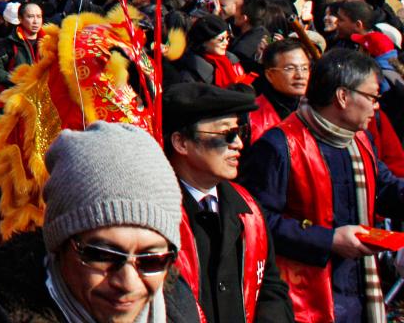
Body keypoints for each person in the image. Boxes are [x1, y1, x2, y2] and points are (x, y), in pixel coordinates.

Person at [0, 121, 200, 322]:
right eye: (102, 255)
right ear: (58, 245)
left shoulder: (178, 307)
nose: (128, 283)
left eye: (152, 260)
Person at [240, 47, 404, 323]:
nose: (376, 106)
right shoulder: (281, 145)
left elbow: (384, 187)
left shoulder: (359, 140)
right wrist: (328, 240)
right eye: (372, 96)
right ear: (342, 96)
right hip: (304, 297)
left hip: (358, 287)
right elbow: (256, 221)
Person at [161, 83, 292, 323]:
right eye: (225, 135)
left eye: (239, 132)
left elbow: (270, 287)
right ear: (181, 143)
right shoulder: (158, 215)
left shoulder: (248, 207)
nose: (238, 144)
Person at [249, 39, 310, 143]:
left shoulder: (316, 111)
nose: (300, 75)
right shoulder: (250, 117)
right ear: (270, 75)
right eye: (290, 68)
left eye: (304, 68)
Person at [169, 16, 251, 89]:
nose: (226, 42)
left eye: (227, 38)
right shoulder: (191, 73)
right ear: (204, 42)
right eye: (221, 39)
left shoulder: (232, 61)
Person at [0, 0, 43, 92]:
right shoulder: (7, 43)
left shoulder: (49, 42)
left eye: (39, 17)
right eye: (30, 17)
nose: (36, 21)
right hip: (13, 98)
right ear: (20, 19)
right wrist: (16, 80)